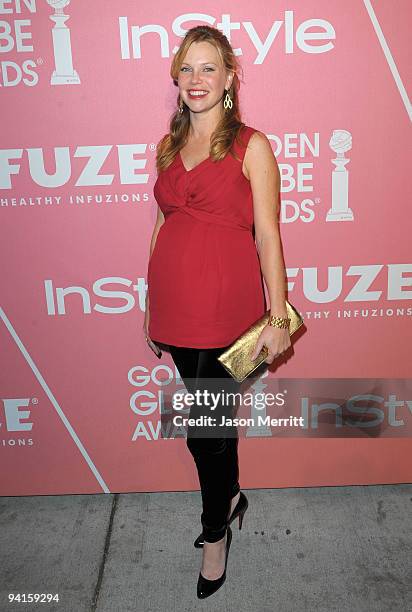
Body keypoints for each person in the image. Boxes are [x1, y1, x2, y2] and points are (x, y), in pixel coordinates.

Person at [144, 24, 291, 599]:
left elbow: (270, 237)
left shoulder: (252, 145)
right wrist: (148, 299)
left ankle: (215, 535)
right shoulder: (167, 146)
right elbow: (160, 227)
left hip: (229, 315)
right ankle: (229, 498)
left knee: (205, 432)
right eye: (187, 68)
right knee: (210, 428)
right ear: (176, 79)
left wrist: (278, 319)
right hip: (176, 311)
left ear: (230, 78)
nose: (197, 79)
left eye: (209, 67)